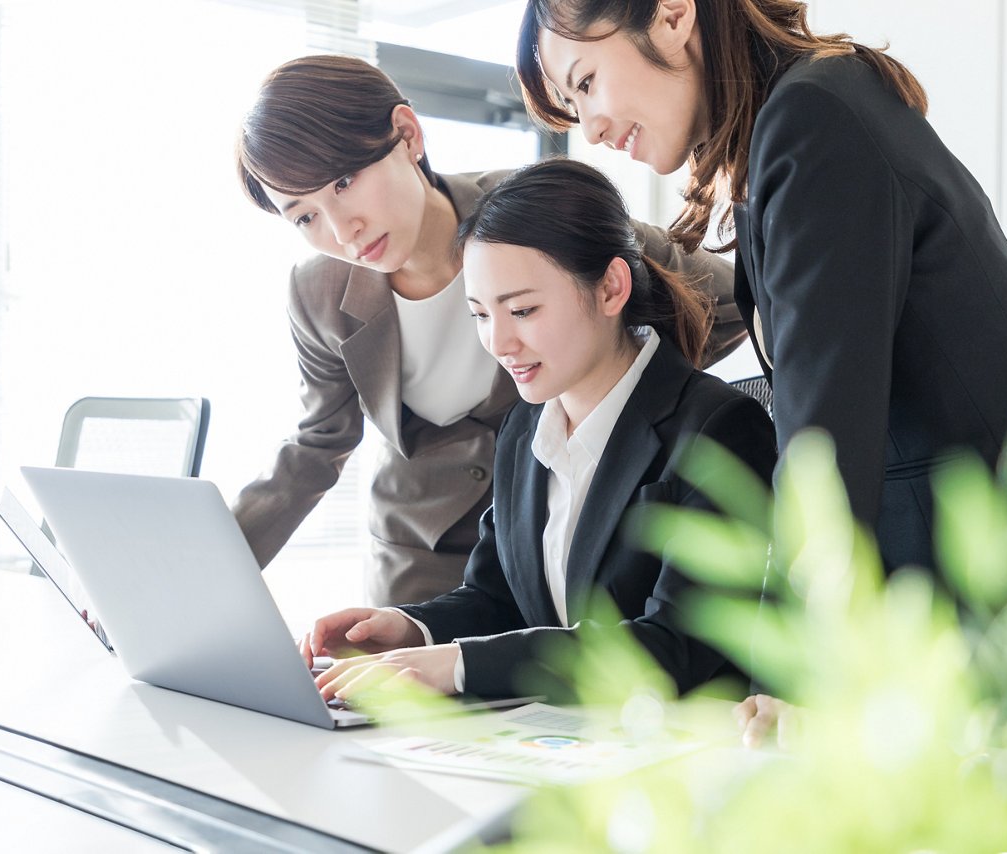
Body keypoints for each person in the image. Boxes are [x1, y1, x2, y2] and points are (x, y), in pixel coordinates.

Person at [515, 0, 1007, 743]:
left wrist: (798, 678)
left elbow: (825, 428)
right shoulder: (792, 121)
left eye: (585, 82)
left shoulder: (811, 118)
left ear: (673, 14)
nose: (587, 126)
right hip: (991, 531)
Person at [231, 54, 747, 607]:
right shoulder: (319, 295)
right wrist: (201, 566)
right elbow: (316, 447)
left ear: (407, 135)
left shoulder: (528, 214)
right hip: (415, 566)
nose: (341, 229)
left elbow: (730, 300)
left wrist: (640, 392)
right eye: (304, 216)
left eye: (345, 181)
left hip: (559, 542)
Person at [307, 159, 778, 701]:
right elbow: (499, 597)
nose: (499, 343)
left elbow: (675, 647)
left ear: (610, 289)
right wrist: (409, 630)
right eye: (480, 315)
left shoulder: (718, 428)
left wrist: (456, 666)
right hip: (559, 742)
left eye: (523, 310)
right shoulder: (524, 428)